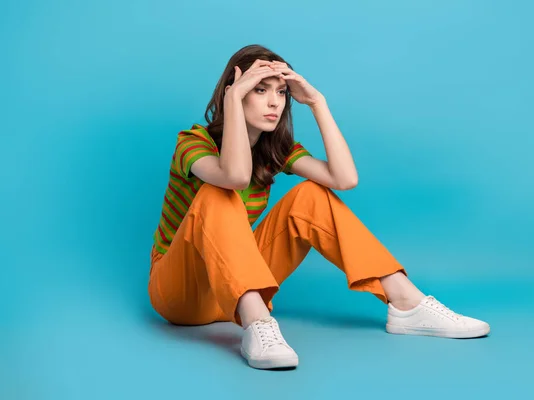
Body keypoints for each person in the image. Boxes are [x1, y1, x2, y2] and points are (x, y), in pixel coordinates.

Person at [148, 44, 490, 370]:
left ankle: (406, 303)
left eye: (281, 92)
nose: (274, 103)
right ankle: (258, 324)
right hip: (180, 293)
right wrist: (233, 97)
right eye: (260, 89)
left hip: (233, 288)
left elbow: (343, 179)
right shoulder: (192, 143)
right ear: (235, 91)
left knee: (312, 194)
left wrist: (317, 102)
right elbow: (234, 176)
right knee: (216, 193)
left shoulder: (275, 152)